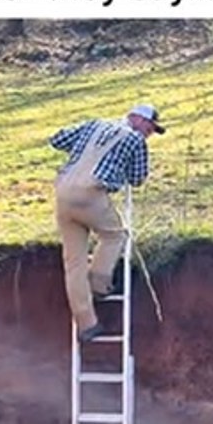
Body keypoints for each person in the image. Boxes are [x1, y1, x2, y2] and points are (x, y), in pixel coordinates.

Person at [50, 105, 165, 342]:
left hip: (63, 195)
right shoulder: (135, 139)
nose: (149, 133)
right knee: (115, 236)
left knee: (74, 263)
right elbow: (137, 179)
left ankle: (87, 324)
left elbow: (58, 139)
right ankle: (99, 284)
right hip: (91, 194)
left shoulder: (94, 124)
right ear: (137, 119)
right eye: (149, 127)